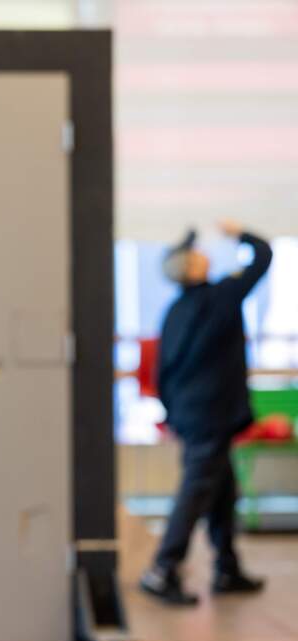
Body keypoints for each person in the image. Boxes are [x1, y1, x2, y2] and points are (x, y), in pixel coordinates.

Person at [139, 219, 271, 606]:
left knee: (222, 492)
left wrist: (173, 414)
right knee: (196, 492)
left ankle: (227, 568)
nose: (204, 255)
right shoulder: (221, 298)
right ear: (193, 267)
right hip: (210, 416)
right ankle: (162, 569)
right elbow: (263, 256)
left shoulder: (176, 310)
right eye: (197, 254)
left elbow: (162, 371)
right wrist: (240, 233)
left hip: (192, 415)